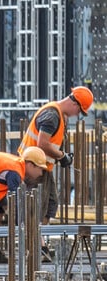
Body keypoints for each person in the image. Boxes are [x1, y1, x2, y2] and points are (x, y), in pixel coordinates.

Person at [17, 86, 94, 262]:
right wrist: (62, 156)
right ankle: (37, 246)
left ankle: (40, 243)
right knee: (35, 208)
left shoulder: (58, 115)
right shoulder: (52, 115)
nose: (77, 115)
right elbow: (42, 143)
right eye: (80, 111)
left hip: (42, 167)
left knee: (50, 204)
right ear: (74, 104)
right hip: (33, 167)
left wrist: (60, 156)